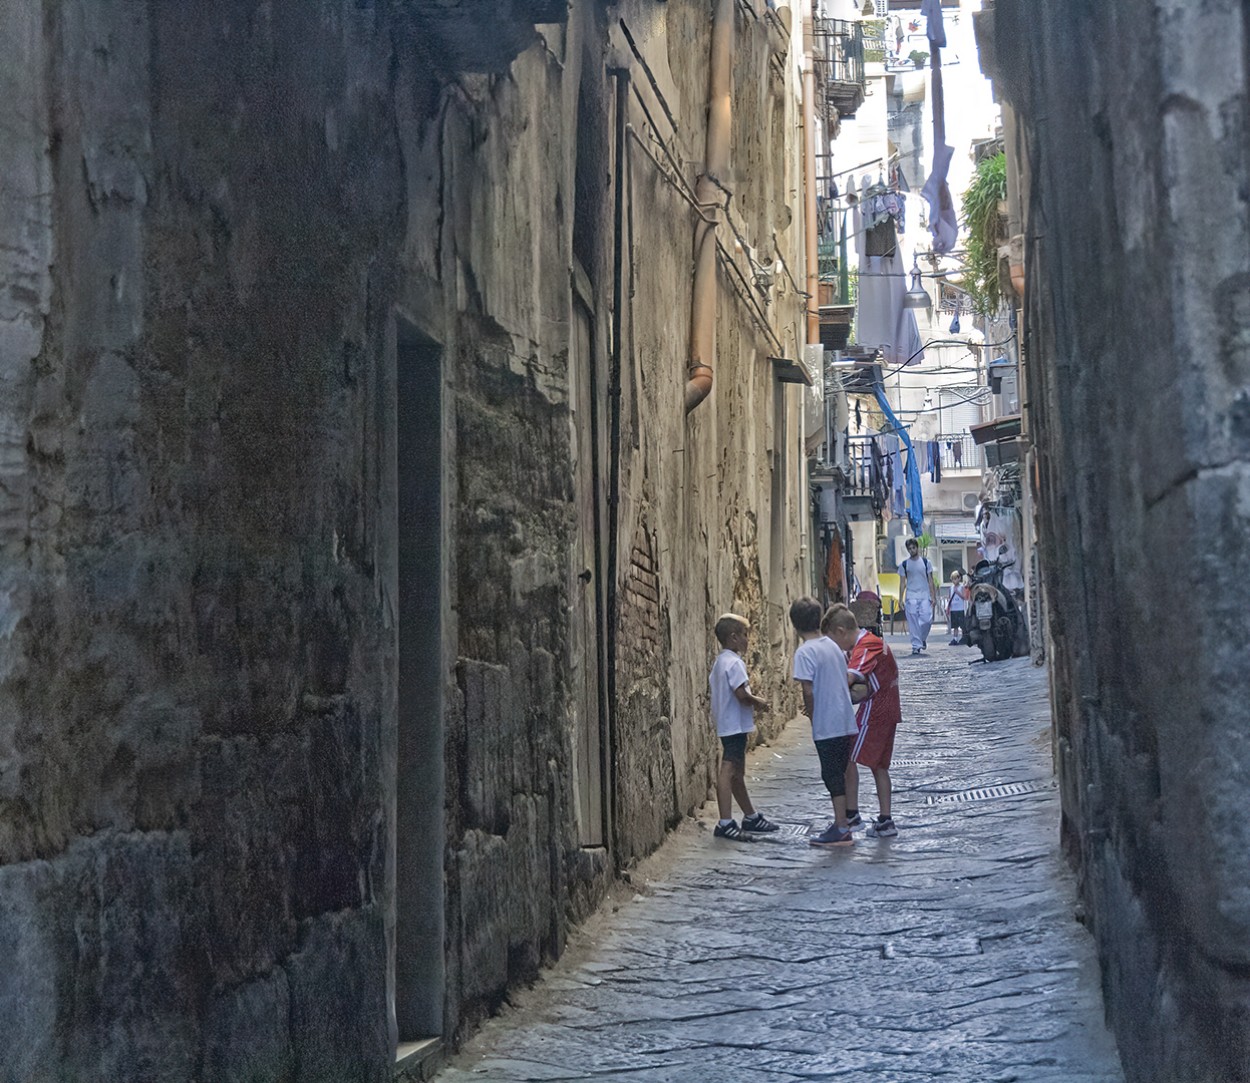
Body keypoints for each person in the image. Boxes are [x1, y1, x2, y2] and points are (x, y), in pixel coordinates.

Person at [822, 604, 901, 838]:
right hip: (884, 708)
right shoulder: (869, 643)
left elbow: (849, 677)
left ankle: (852, 814)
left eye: (834, 641)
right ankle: (885, 820)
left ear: (841, 632)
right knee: (879, 766)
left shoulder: (867, 645)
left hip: (876, 710)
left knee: (849, 755)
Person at [789, 597, 860, 848]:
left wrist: (811, 716)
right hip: (844, 719)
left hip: (827, 723)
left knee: (831, 774)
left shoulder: (805, 652)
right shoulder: (833, 647)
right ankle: (846, 819)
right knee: (841, 769)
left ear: (794, 625)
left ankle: (841, 826)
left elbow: (808, 690)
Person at [708, 613, 779, 841]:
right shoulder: (735, 663)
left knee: (737, 772)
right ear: (733, 637)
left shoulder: (720, 662)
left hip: (728, 723)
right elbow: (741, 694)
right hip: (734, 725)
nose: (748, 640)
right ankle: (725, 822)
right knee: (728, 770)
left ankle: (750, 816)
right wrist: (760, 703)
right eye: (745, 635)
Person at [897, 538, 937, 655]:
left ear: (917, 548)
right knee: (913, 621)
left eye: (913, 548)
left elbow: (930, 580)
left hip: (925, 595)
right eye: (909, 549)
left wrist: (933, 596)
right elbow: (902, 583)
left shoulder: (926, 563)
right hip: (911, 596)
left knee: (926, 619)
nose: (912, 550)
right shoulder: (904, 565)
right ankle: (916, 645)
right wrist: (900, 599)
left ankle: (921, 638)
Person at [947, 569, 968, 645]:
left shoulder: (961, 587)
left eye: (955, 579)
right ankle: (955, 638)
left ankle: (963, 637)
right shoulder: (951, 588)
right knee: (955, 626)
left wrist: (958, 593)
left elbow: (964, 597)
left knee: (962, 625)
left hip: (960, 608)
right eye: (952, 579)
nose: (954, 581)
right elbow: (949, 598)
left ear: (959, 579)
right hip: (953, 609)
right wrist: (948, 608)